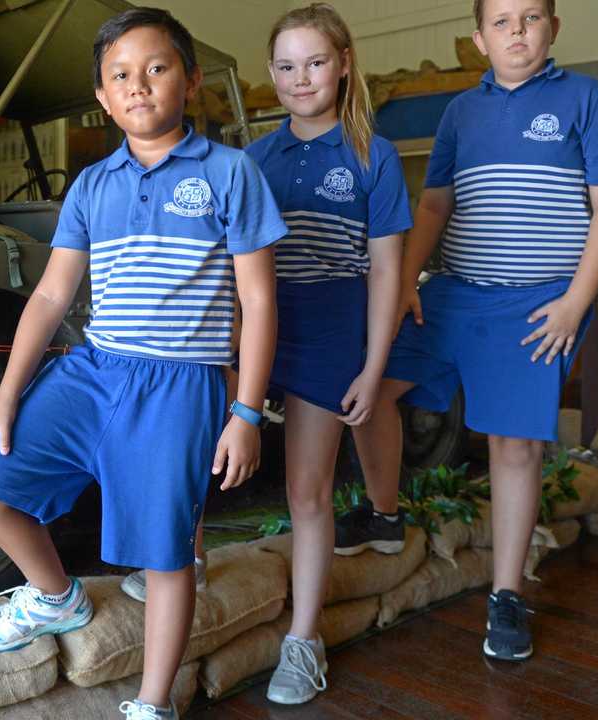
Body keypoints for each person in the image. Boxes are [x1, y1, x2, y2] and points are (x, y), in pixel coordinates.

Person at [0, 8, 283, 718]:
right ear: (102, 97)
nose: (139, 86)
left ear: (190, 81)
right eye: (120, 75)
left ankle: (152, 703)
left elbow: (258, 304)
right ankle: (54, 596)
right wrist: (4, 399)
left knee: (165, 556)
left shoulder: (232, 174)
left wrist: (246, 412)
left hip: (180, 386)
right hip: (94, 371)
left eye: (157, 68)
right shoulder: (92, 186)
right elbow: (49, 296)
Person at [350, 0, 598, 662]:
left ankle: (506, 595)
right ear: (478, 38)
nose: (518, 31)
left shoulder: (582, 98)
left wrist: (575, 304)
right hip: (454, 294)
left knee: (513, 445)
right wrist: (401, 292)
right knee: (364, 387)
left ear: (553, 28)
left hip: (538, 303)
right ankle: (384, 514)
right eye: (502, 21)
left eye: (531, 17)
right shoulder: (461, 112)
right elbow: (434, 203)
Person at [245, 3, 410, 704]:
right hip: (258, 327)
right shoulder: (253, 159)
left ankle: (302, 641)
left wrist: (372, 367)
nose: (300, 78)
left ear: (343, 64)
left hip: (330, 331)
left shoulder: (372, 153)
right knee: (204, 455)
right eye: (286, 66)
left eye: (315, 62)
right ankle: (179, 573)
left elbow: (387, 272)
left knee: (306, 490)